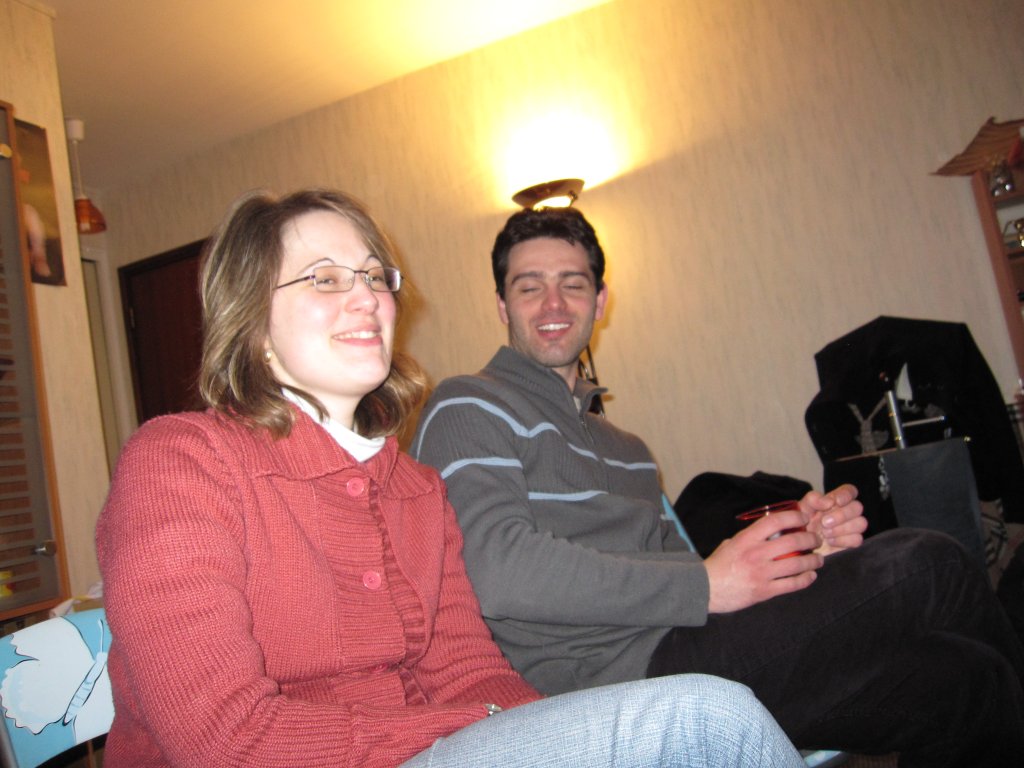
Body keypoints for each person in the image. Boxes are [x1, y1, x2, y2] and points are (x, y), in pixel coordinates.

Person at [95, 189, 804, 768]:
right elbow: (223, 740)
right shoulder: (180, 463)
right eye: (326, 278)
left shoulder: (414, 489)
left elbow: (469, 673)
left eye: (374, 275)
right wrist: (469, 729)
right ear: (250, 319)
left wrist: (540, 733)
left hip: (436, 748)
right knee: (705, 719)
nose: (366, 297)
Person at [411, 205, 1024, 767]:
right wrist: (707, 584)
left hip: (691, 645)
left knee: (966, 682)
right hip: (606, 682)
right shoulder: (468, 404)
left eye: (572, 284)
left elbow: (688, 580)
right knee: (927, 562)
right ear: (502, 305)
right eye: (529, 286)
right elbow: (497, 569)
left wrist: (801, 549)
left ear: (600, 301)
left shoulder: (629, 449)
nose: (553, 303)